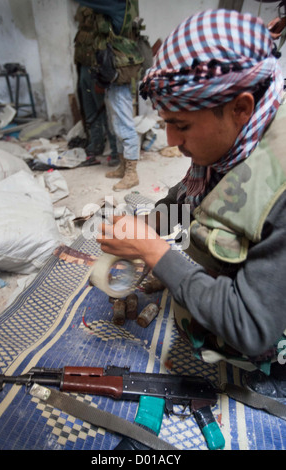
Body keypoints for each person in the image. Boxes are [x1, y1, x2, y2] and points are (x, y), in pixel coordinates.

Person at [97, 8, 286, 398]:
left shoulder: (279, 184)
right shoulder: (235, 143)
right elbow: (189, 197)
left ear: (241, 108)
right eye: (167, 122)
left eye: (181, 125)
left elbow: (250, 327)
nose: (169, 140)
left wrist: (151, 250)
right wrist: (147, 225)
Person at [74, 0, 142, 191]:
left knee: (124, 124)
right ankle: (123, 166)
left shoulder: (118, 4)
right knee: (116, 123)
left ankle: (132, 173)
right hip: (111, 72)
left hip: (119, 73)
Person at [74, 5, 119, 166]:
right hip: (84, 69)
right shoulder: (83, 22)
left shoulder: (105, 14)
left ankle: (115, 151)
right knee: (90, 111)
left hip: (98, 70)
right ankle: (96, 144)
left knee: (106, 113)